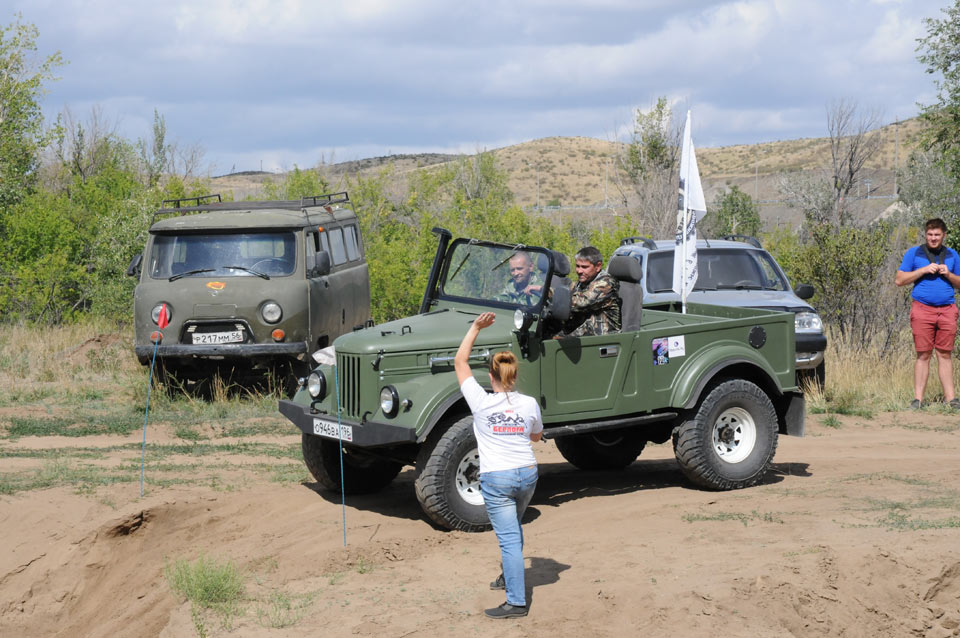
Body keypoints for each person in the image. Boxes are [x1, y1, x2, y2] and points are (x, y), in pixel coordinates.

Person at [455, 312, 543, 619]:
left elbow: (460, 362)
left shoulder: (480, 401)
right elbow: (536, 434)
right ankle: (509, 575)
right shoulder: (530, 403)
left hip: (498, 478)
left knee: (508, 538)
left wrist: (475, 328)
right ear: (514, 376)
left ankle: (516, 602)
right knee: (513, 529)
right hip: (527, 474)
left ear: (491, 377)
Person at [895, 217, 960, 410]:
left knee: (945, 354)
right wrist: (923, 270)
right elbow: (899, 280)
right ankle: (918, 400)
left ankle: (951, 400)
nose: (933, 238)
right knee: (923, 354)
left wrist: (948, 274)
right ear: (925, 234)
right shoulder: (914, 253)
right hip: (922, 309)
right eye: (930, 234)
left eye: (937, 235)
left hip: (947, 310)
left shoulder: (952, 255)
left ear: (944, 235)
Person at [563, 246, 621, 336]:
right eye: (577, 266)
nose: (579, 271)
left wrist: (553, 297)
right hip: (582, 334)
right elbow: (566, 293)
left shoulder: (606, 283)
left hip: (603, 337)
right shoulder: (580, 284)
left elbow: (582, 302)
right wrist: (542, 291)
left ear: (598, 266)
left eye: (584, 267)